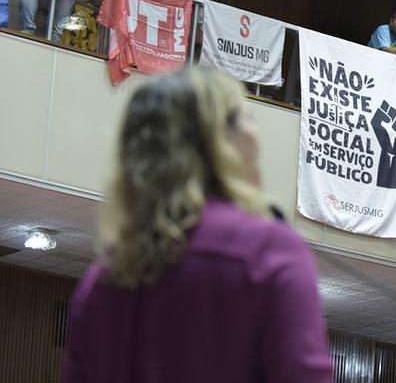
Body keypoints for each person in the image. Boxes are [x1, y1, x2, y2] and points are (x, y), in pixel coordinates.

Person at [62, 68, 332, 383]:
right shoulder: (270, 253)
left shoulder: (102, 280)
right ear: (220, 142)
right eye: (248, 117)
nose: (257, 135)